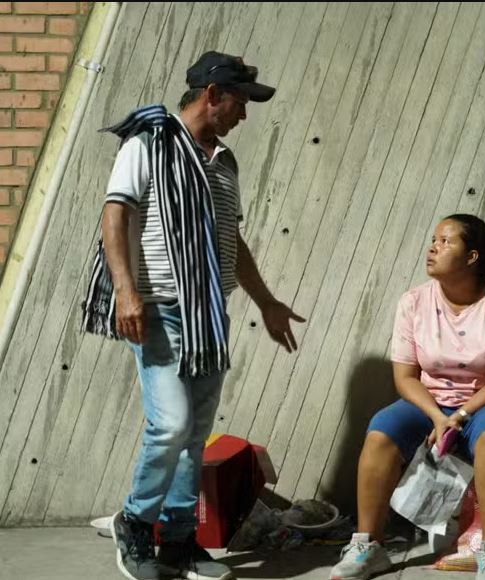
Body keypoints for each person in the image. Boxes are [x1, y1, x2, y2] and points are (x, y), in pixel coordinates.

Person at [82, 51, 306, 580]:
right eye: (241, 102)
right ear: (212, 94)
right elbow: (115, 213)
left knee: (194, 433)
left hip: (209, 314)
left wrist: (266, 301)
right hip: (157, 307)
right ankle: (135, 524)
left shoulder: (223, 162)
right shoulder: (150, 144)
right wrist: (124, 291)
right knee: (172, 425)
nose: (244, 115)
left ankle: (179, 542)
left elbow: (232, 241)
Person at [329, 215, 485, 580]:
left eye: (445, 241)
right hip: (429, 401)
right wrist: (439, 417)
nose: (433, 247)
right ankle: (367, 546)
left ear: (471, 257)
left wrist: (462, 413)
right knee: (380, 431)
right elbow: (405, 377)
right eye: (433, 239)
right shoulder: (413, 302)